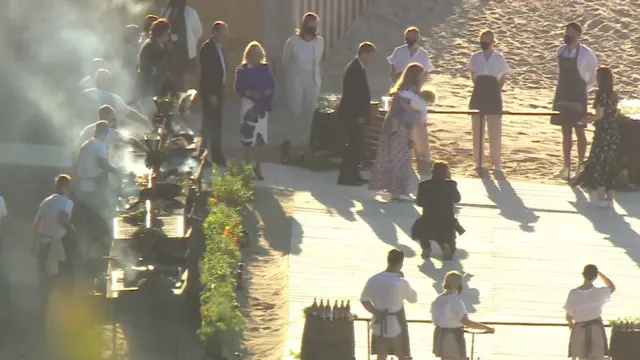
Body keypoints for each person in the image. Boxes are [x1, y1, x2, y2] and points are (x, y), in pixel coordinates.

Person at [369, 63, 426, 201]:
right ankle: (397, 189)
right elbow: (404, 113)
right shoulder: (408, 93)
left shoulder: (403, 91)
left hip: (395, 128)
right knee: (399, 159)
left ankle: (392, 188)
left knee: (392, 158)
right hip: (398, 128)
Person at [551, 22, 598, 179]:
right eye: (565, 32)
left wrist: (584, 90)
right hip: (563, 94)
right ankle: (566, 167)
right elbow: (560, 72)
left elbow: (593, 76)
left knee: (580, 131)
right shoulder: (561, 50)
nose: (567, 36)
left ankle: (579, 167)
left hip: (578, 97)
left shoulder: (586, 54)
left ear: (578, 35)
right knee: (565, 131)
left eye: (570, 33)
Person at [387, 26, 434, 172]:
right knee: (400, 122)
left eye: (414, 36)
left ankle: (421, 155)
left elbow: (424, 73)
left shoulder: (423, 54)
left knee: (417, 123)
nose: (411, 39)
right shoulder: (399, 51)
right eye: (409, 35)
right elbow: (393, 69)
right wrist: (398, 84)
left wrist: (417, 89)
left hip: (414, 89)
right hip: (401, 87)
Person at [572, 67, 620, 208]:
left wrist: (587, 120)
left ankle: (600, 197)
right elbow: (614, 113)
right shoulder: (614, 94)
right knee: (611, 163)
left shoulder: (601, 94)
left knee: (599, 161)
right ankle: (610, 198)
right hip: (613, 132)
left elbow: (599, 115)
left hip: (603, 132)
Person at [281, 12, 325, 163]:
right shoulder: (293, 42)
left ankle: (306, 148)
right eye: (310, 23)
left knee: (310, 113)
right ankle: (287, 145)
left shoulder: (319, 42)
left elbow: (318, 61)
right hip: (296, 80)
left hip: (312, 80)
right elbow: (285, 61)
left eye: (315, 24)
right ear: (304, 24)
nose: (312, 27)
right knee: (294, 112)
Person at [466, 30, 510, 176]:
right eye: (482, 39)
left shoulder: (499, 58)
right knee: (477, 129)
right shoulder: (475, 57)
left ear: (493, 41)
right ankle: (479, 162)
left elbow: (503, 77)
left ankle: (496, 164)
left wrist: (496, 90)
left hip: (493, 94)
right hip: (479, 93)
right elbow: (473, 76)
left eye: (488, 39)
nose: (485, 42)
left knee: (495, 131)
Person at [73, 121, 120, 257]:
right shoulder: (99, 145)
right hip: (94, 187)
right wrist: (116, 171)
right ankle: (98, 250)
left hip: (83, 187)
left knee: (87, 219)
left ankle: (87, 249)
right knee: (97, 217)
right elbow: (101, 162)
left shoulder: (86, 145)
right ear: (104, 132)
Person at [361, 249, 417, 360]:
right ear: (401, 264)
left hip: (379, 322)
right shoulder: (401, 282)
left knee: (381, 355)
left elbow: (365, 301)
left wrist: (377, 312)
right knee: (402, 354)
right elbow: (413, 299)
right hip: (396, 323)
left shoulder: (374, 279)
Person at [31, 175, 75, 311]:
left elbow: (38, 223)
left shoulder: (47, 201)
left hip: (44, 242)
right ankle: (63, 311)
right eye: (69, 186)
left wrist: (35, 241)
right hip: (56, 244)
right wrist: (73, 231)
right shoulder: (66, 202)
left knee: (43, 278)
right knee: (62, 278)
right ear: (64, 187)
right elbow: (62, 219)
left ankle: (43, 310)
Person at [234, 41, 275, 181]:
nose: (256, 57)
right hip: (248, 105)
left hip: (261, 106)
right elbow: (238, 88)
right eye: (253, 54)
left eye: (258, 54)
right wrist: (250, 93)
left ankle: (258, 167)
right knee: (247, 137)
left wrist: (266, 92)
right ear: (248, 55)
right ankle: (247, 166)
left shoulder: (265, 69)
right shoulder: (243, 70)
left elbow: (271, 84)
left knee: (261, 139)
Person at [337, 42, 376, 186]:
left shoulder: (358, 67)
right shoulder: (355, 69)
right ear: (364, 54)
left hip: (354, 114)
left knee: (357, 145)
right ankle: (346, 176)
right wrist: (358, 115)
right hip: (352, 115)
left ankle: (354, 174)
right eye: (371, 56)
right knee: (353, 145)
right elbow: (353, 95)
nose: (372, 59)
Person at [431, 271, 494, 360]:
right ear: (458, 284)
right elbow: (465, 321)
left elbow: (435, 321)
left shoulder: (437, 300)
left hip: (439, 335)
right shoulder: (455, 300)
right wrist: (486, 328)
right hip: (452, 337)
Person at [412, 161, 463, 260]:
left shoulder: (423, 185)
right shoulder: (451, 185)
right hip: (447, 222)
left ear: (432, 172)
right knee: (449, 239)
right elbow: (457, 199)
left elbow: (419, 203)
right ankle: (447, 247)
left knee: (420, 230)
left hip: (428, 220)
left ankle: (426, 247)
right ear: (446, 173)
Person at [564, 264, 615, 360]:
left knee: (582, 357)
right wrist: (600, 274)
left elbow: (568, 317)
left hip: (579, 328)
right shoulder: (599, 293)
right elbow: (612, 287)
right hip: (596, 327)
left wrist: (571, 324)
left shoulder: (573, 294)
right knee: (598, 356)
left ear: (583, 275)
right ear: (595, 277)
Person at [199, 21, 229, 167]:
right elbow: (207, 73)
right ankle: (202, 155)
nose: (225, 35)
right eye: (222, 32)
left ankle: (217, 155)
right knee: (208, 125)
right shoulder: (207, 48)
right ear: (215, 32)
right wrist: (211, 93)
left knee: (217, 124)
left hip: (219, 90)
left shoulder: (220, 48)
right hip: (211, 92)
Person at [78, 69, 149, 129]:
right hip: (104, 134)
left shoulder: (85, 94)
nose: (110, 82)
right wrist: (146, 123)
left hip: (85, 129)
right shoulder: (112, 98)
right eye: (108, 80)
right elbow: (130, 114)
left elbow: (77, 112)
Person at [159, 0, 203, 90]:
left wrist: (191, 43)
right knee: (172, 79)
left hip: (186, 53)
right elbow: (160, 30)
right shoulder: (165, 12)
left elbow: (198, 31)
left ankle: (187, 101)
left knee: (185, 82)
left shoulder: (191, 13)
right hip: (170, 53)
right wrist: (167, 42)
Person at [138, 18, 173, 114]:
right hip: (152, 86)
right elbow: (153, 69)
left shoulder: (158, 44)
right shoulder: (152, 47)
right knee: (154, 115)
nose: (168, 34)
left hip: (155, 85)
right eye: (167, 31)